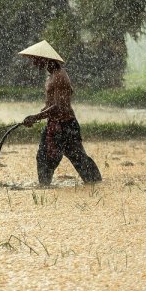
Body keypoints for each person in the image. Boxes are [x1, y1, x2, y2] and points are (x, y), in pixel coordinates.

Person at [19, 40, 102, 185]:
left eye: (35, 59)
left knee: (75, 157)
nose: (33, 63)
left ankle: (94, 184)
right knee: (51, 157)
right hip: (55, 124)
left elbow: (59, 107)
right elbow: (50, 105)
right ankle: (93, 183)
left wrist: (36, 117)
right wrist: (38, 115)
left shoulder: (60, 77)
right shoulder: (51, 77)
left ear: (44, 59)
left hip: (65, 125)